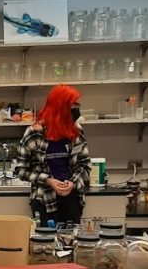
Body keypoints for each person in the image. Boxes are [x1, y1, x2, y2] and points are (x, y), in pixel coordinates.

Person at [15, 83, 91, 225]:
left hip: (72, 199)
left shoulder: (76, 132)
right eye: (72, 105)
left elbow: (85, 166)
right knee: (45, 245)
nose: (76, 109)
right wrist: (48, 180)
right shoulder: (34, 134)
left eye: (76, 104)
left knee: (71, 242)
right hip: (44, 199)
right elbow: (21, 170)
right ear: (60, 107)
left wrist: (72, 183)